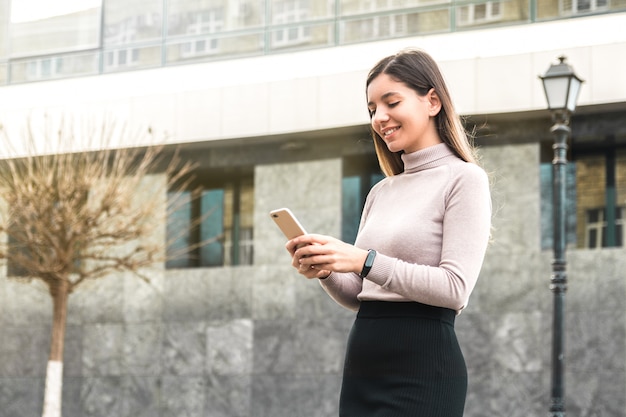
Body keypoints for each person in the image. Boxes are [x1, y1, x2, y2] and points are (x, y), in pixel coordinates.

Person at [286, 48, 491, 417]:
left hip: (424, 364)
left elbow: (454, 288)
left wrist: (364, 260)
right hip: (364, 363)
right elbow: (360, 293)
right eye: (371, 109)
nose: (380, 117)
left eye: (391, 102)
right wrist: (328, 269)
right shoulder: (381, 191)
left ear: (432, 101)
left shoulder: (464, 179)